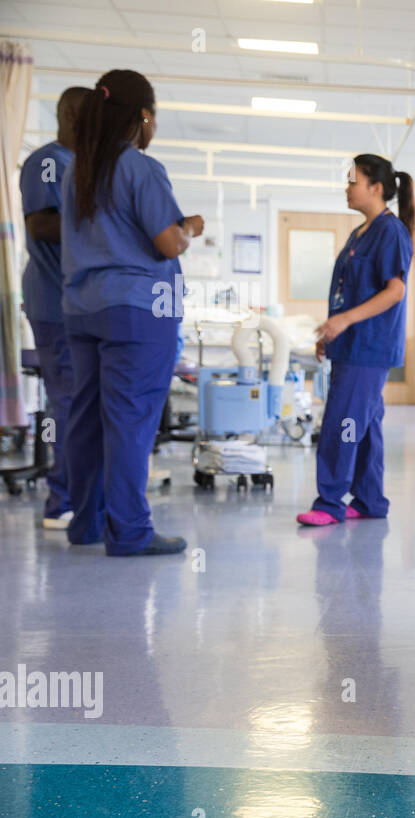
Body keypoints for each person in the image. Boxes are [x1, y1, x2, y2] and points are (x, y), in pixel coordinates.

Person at [61, 70, 203, 556]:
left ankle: (86, 524)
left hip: (81, 310)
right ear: (143, 116)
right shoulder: (140, 169)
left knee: (86, 418)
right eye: (154, 117)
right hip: (136, 313)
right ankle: (130, 532)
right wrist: (189, 226)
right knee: (129, 422)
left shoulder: (75, 171)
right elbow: (167, 243)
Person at [296, 154, 415, 526]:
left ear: (375, 188)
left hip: (369, 346)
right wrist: (332, 330)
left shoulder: (390, 231)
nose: (346, 188)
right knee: (363, 426)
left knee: (342, 423)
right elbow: (347, 291)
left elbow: (395, 290)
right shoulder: (359, 233)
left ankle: (330, 502)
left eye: (353, 181)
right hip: (350, 344)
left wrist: (345, 320)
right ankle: (369, 500)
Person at [20, 86, 90, 530]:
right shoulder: (47, 161)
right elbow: (42, 224)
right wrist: (102, 222)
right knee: (67, 400)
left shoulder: (82, 166)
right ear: (66, 114)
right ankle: (60, 502)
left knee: (79, 401)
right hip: (52, 302)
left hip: (77, 304)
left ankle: (77, 494)